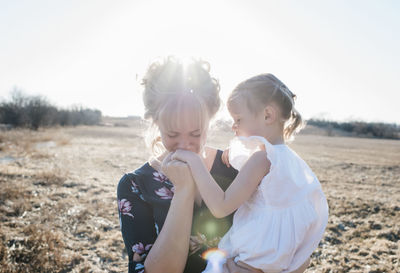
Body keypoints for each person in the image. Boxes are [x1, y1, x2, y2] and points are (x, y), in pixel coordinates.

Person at [168, 73, 329, 273]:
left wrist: (194, 161)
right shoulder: (295, 164)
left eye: (239, 119)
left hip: (248, 262)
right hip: (277, 265)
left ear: (267, 115)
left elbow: (221, 206)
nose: (234, 126)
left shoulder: (262, 160)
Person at [117, 57, 263, 273]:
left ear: (210, 120)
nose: (184, 145)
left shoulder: (238, 169)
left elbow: (274, 232)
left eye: (195, 133)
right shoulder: (135, 185)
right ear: (156, 122)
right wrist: (184, 191)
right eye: (173, 134)